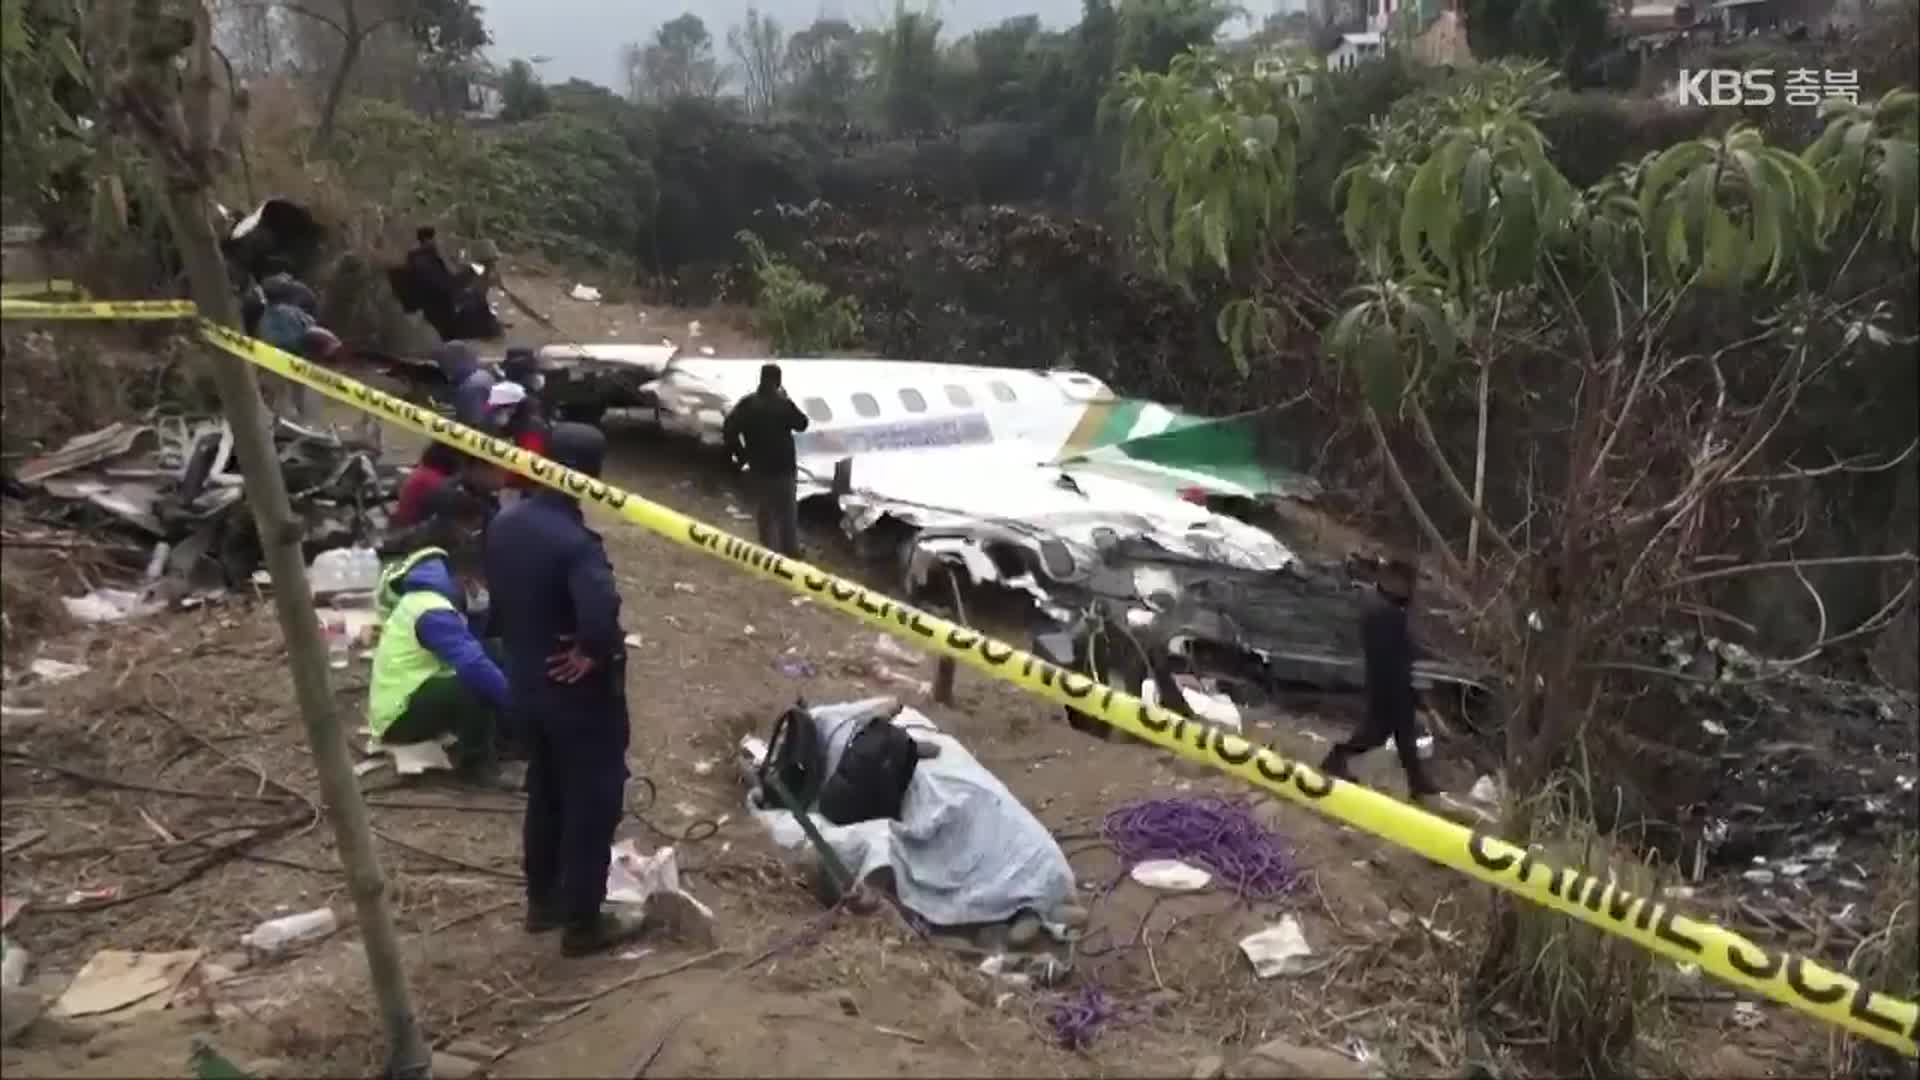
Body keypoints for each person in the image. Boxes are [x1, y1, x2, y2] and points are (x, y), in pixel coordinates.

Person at [485, 422, 645, 956]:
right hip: (578, 696)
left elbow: (499, 604)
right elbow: (599, 617)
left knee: (546, 790)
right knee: (592, 799)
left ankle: (542, 902)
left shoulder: (505, 524)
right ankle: (582, 922)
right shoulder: (577, 544)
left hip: (526, 681)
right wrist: (591, 653)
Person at [368, 492, 511, 785]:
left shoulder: (440, 598)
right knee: (475, 682)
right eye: (482, 586)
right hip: (398, 714)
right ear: (467, 580)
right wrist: (517, 704)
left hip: (421, 688)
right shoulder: (433, 610)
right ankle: (476, 766)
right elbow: (472, 664)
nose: (484, 594)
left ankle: (501, 738)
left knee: (495, 651)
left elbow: (477, 644)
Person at [1319, 557, 1440, 799]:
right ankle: (1336, 756)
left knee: (1404, 735)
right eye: (1410, 584)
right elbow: (1392, 656)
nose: (1413, 591)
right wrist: (1408, 692)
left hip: (1393, 683)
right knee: (1375, 733)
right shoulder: (1384, 613)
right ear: (1397, 582)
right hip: (1388, 684)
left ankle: (1417, 783)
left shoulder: (1386, 607)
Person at [722, 363, 811, 557]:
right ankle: (791, 551)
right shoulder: (783, 404)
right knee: (787, 512)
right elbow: (802, 423)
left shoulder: (748, 404)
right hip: (784, 468)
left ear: (761, 379)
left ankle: (767, 553)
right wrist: (787, 399)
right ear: (778, 382)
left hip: (759, 467)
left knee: (765, 512)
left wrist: (741, 454)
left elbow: (728, 429)